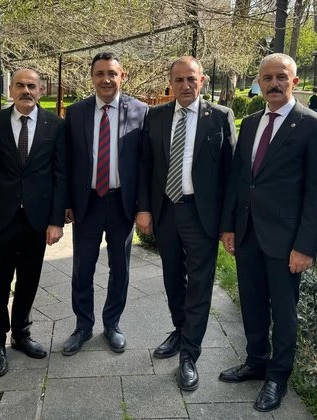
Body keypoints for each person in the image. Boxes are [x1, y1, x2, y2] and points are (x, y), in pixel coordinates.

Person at [219, 53, 317, 412]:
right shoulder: (251, 123)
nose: (274, 84)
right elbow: (240, 179)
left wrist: (305, 246)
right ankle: (256, 362)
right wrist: (229, 225)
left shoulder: (314, 127)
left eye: (281, 77)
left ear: (294, 82)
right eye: (267, 78)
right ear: (259, 82)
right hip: (248, 232)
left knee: (284, 312)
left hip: (286, 241)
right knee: (252, 303)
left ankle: (278, 377)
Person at [137, 56, 235, 391]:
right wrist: (144, 209)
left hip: (201, 214)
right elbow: (145, 166)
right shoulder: (156, 116)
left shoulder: (220, 117)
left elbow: (230, 174)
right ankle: (180, 330)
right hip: (166, 210)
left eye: (191, 79)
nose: (185, 85)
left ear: (202, 80)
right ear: (171, 83)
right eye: (178, 80)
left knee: (200, 283)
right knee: (172, 278)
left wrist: (228, 223)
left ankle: (190, 354)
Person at [62, 52, 148, 356]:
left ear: (122, 76)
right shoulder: (76, 112)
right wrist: (67, 202)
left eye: (112, 73)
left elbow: (145, 163)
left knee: (120, 268)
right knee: (82, 268)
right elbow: (67, 161)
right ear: (92, 78)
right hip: (87, 202)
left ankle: (112, 324)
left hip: (121, 202)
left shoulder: (141, 111)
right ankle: (83, 326)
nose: (106, 79)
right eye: (99, 74)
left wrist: (143, 206)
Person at [0, 68, 66, 376]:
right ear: (10, 89)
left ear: (40, 90)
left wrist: (56, 220)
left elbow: (60, 174)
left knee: (29, 281)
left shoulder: (55, 125)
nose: (26, 90)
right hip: (3, 218)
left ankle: (21, 333)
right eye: (20, 85)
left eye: (32, 85)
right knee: (0, 283)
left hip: (37, 219)